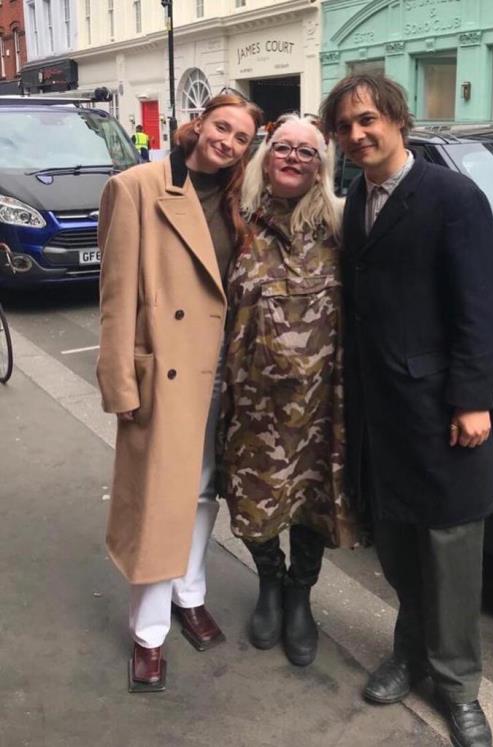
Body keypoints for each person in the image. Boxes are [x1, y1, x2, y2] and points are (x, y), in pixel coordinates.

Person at [320, 75, 493, 747]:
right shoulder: (357, 205)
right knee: (398, 546)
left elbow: (479, 306)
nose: (357, 134)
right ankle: (411, 647)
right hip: (382, 410)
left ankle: (458, 687)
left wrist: (473, 398)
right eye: (345, 126)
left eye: (367, 119)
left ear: (398, 119)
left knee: (450, 551)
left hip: (443, 410)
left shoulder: (452, 197)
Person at [97, 93, 262, 693]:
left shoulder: (243, 197)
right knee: (159, 499)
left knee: (203, 490)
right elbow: (116, 296)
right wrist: (119, 381)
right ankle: (149, 633)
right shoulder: (138, 185)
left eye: (242, 137)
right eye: (223, 127)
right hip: (166, 370)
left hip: (224, 369)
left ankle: (190, 593)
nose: (228, 142)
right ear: (198, 125)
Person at [219, 113, 359, 667]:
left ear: (321, 163)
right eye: (283, 147)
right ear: (265, 154)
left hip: (323, 403)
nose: (294, 158)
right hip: (253, 401)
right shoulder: (238, 220)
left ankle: (300, 593)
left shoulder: (342, 225)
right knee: (255, 504)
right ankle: (269, 583)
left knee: (312, 502)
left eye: (307, 151)